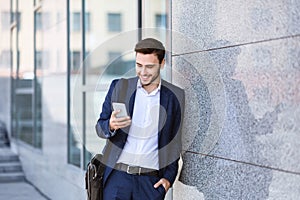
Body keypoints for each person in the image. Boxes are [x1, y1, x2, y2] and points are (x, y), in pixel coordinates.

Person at [95, 38, 185, 200]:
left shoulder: (175, 96)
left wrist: (168, 179)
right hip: (117, 179)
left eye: (149, 66)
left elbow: (174, 142)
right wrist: (110, 125)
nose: (143, 72)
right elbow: (100, 128)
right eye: (139, 65)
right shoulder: (119, 87)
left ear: (162, 63)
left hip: (150, 184)